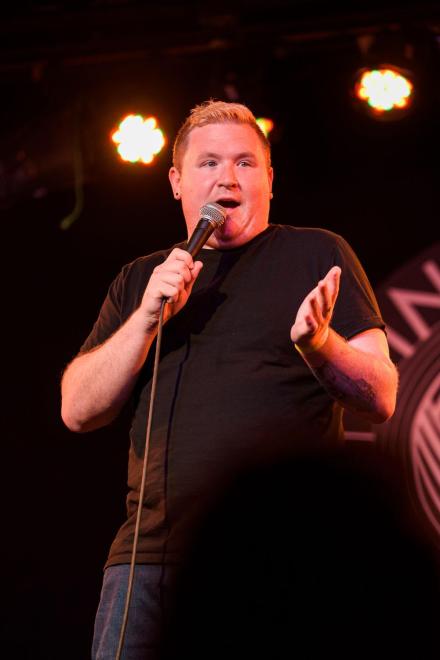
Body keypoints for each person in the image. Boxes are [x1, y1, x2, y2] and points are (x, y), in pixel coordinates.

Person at [61, 100, 398, 659]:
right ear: (176, 181)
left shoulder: (316, 252)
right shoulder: (144, 278)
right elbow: (77, 408)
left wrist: (320, 343)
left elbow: (381, 395)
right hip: (152, 566)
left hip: (291, 559)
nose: (226, 177)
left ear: (269, 179)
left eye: (244, 163)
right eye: (208, 163)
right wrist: (146, 319)